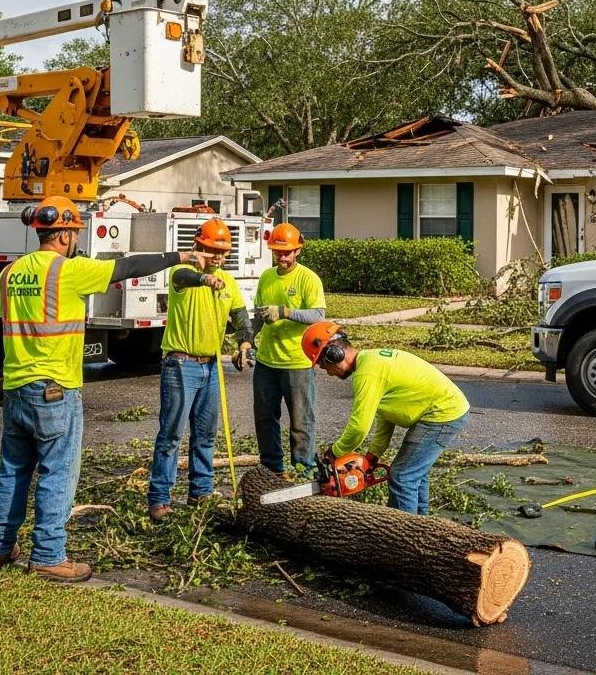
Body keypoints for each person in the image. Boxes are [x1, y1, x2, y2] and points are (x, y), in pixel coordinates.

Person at [0, 195, 206, 582]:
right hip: (55, 390)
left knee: (13, 469)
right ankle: (49, 555)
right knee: (58, 472)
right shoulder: (68, 271)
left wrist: (0, 378)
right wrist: (180, 257)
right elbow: (126, 267)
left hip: (17, 388)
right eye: (75, 233)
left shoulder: (9, 273)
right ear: (66, 234)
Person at [147, 216, 253, 521]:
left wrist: (245, 342)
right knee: (171, 434)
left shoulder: (228, 281)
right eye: (209, 250)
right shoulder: (184, 274)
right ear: (197, 246)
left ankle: (201, 492)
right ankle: (159, 498)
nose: (216, 258)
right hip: (181, 365)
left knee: (206, 435)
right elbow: (182, 278)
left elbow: (241, 316)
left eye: (221, 253)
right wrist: (204, 278)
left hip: (211, 367)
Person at [302, 321, 469, 515]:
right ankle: (423, 527)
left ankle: (404, 536)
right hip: (440, 411)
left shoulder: (367, 373)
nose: (328, 373)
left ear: (333, 354)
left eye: (323, 366)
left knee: (402, 476)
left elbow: (358, 428)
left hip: (442, 413)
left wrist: (334, 453)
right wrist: (373, 456)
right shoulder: (370, 362)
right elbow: (386, 416)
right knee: (414, 474)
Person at [251, 223, 326, 477]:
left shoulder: (308, 278)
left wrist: (285, 312)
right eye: (277, 252)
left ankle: (303, 470)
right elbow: (258, 317)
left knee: (300, 421)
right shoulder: (267, 277)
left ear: (298, 251)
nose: (282, 257)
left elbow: (318, 315)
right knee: (264, 419)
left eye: (287, 253)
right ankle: (271, 470)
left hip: (297, 362)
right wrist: (247, 339)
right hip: (266, 361)